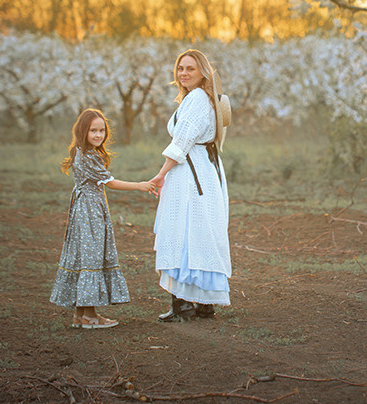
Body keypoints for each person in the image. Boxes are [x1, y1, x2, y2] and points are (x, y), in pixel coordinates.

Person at [49, 108, 154, 329]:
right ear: (83, 131)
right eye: (93, 131)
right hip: (89, 212)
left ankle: (80, 315)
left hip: (85, 208)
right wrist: (140, 185)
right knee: (92, 257)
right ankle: (90, 316)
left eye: (101, 130)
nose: (98, 135)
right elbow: (111, 183)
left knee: (85, 256)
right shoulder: (88, 156)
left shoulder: (82, 152)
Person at [150, 49, 232, 322]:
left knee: (184, 230)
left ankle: (183, 304)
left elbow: (181, 143)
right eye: (180, 68)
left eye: (190, 69)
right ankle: (203, 302)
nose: (183, 73)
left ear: (203, 73)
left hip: (190, 174)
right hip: (203, 170)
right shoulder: (200, 97)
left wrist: (161, 174)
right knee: (201, 231)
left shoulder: (197, 98)